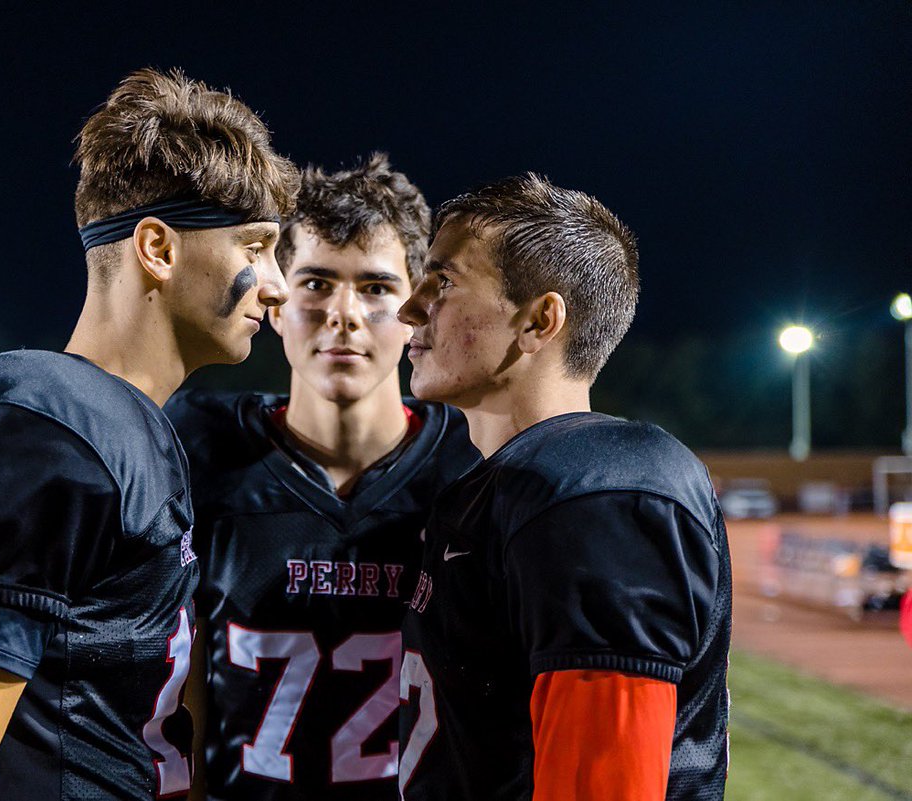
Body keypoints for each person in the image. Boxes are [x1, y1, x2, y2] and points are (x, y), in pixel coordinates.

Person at [0, 68, 299, 801]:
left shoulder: (134, 427)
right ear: (158, 248)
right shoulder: (48, 426)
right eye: (255, 247)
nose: (277, 283)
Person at [396, 174, 731, 801]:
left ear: (539, 321)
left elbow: (603, 785)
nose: (408, 309)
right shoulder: (505, 482)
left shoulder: (594, 494)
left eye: (442, 283)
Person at [165, 154, 477, 801]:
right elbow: (182, 698)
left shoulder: (474, 463)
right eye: (315, 282)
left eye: (375, 287)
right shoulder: (196, 447)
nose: (343, 313)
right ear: (275, 299)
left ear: (418, 305)